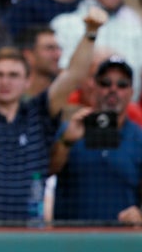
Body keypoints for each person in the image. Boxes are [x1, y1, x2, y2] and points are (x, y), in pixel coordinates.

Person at [0, 0, 105, 221]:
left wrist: (91, 32)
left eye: (13, 75)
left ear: (27, 80)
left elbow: (73, 76)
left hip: (29, 235)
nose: (5, 82)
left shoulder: (39, 114)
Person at [50, 57, 142, 224]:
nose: (113, 89)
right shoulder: (71, 129)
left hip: (122, 243)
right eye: (105, 83)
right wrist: (66, 141)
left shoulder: (139, 138)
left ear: (131, 91)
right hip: (71, 242)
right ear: (95, 88)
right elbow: (46, 171)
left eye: (121, 85)